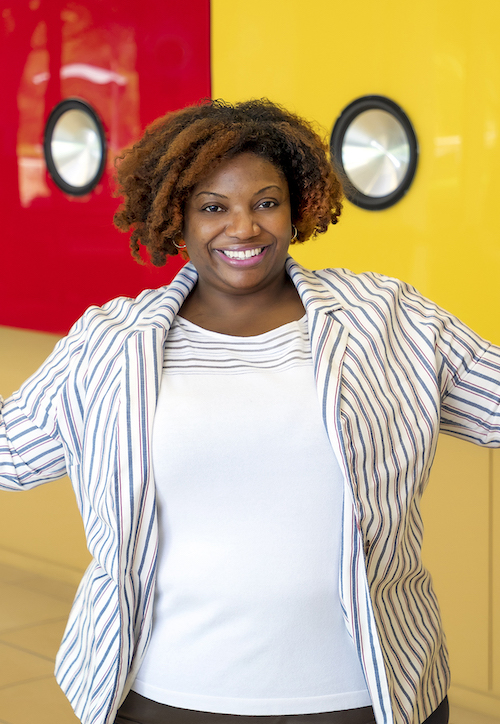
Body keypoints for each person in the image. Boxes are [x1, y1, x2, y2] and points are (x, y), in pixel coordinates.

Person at [0, 99, 499, 724]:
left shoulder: (386, 319)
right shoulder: (112, 342)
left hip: (368, 694)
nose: (244, 228)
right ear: (176, 218)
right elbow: (10, 451)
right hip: (165, 695)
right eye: (214, 207)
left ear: (298, 208)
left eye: (266, 202)